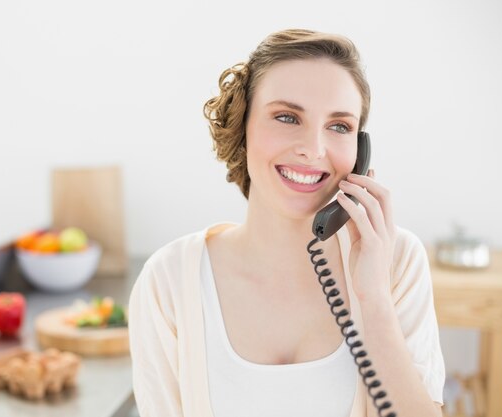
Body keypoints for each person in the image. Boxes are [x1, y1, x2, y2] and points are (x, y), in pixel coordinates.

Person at [128, 29, 445, 417]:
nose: (313, 148)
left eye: (340, 126)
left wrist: (374, 300)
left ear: (360, 150)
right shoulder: (170, 280)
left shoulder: (396, 261)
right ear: (241, 126)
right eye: (286, 117)